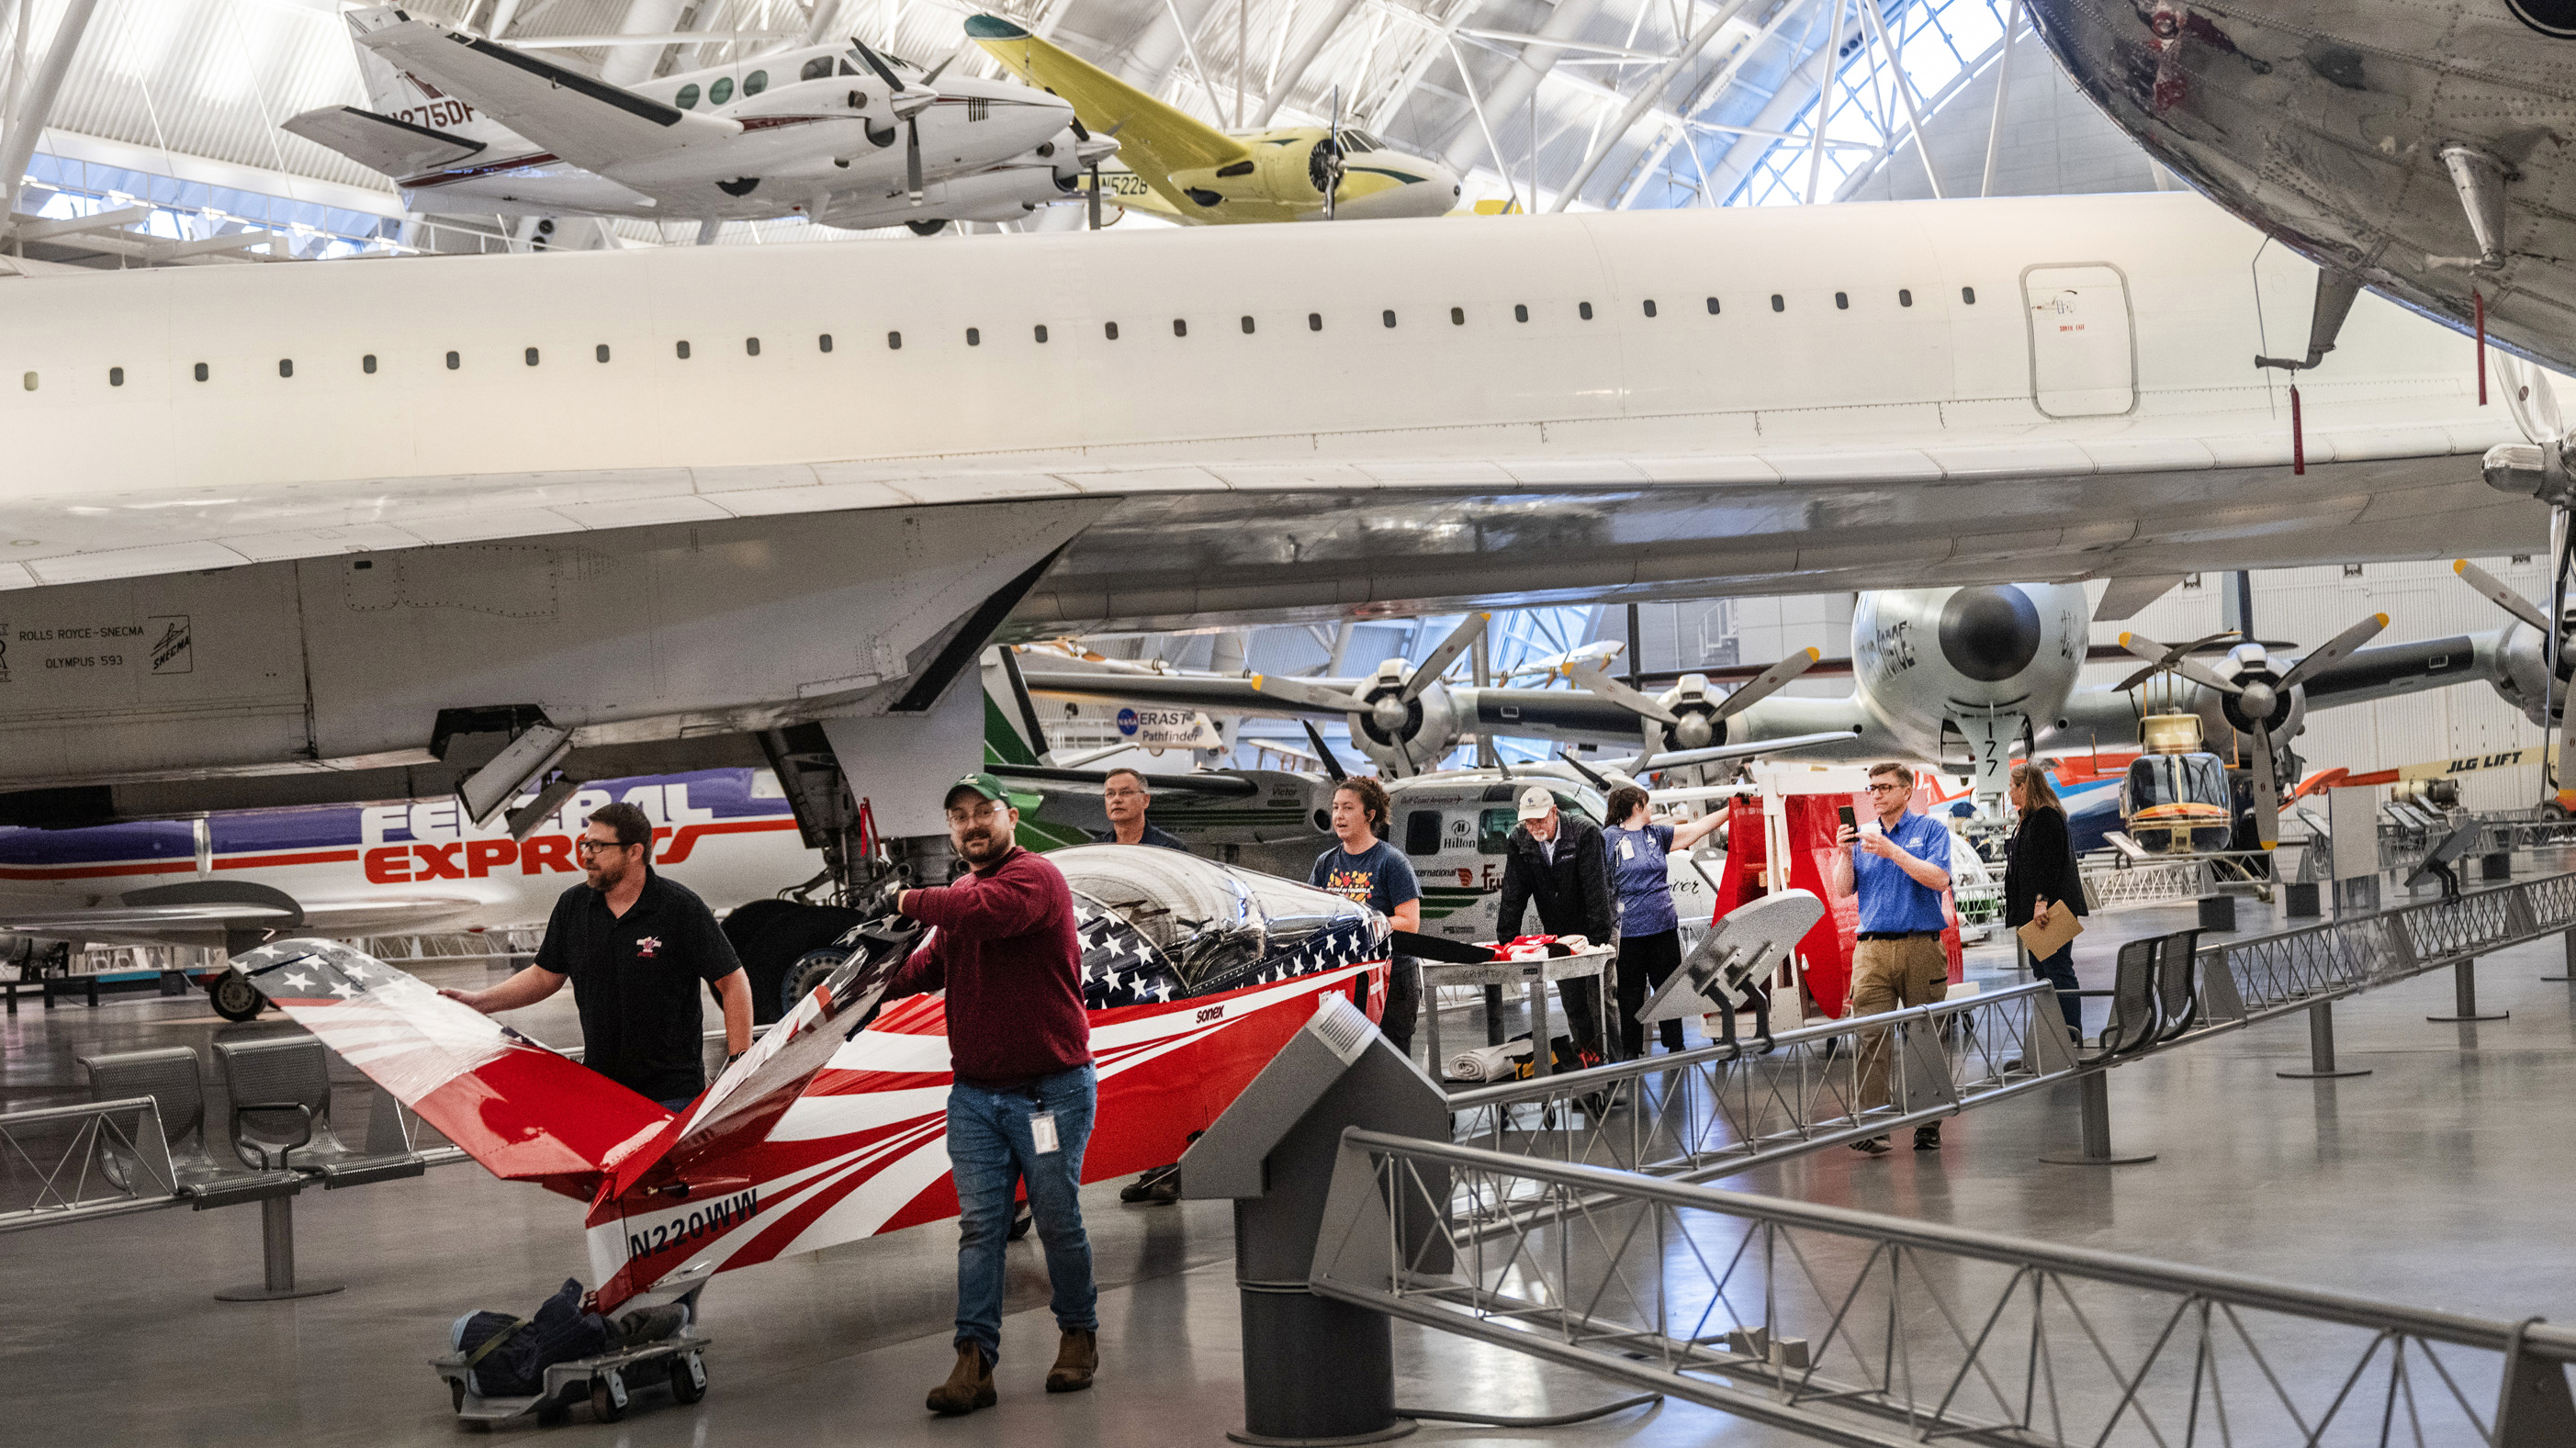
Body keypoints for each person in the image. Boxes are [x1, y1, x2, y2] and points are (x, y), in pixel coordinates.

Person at [883, 772, 1099, 1415]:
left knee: (1058, 1220)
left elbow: (988, 914)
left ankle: (1078, 1334)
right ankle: (973, 1360)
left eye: (982, 812)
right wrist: (856, 988)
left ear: (1008, 817)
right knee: (980, 1228)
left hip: (1048, 1093)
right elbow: (932, 966)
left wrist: (905, 898)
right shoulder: (959, 894)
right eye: (958, 817)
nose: (971, 825)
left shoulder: (1033, 880)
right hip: (975, 1096)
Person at [442, 802, 750, 1112]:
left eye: (598, 846)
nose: (586, 854)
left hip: (673, 1095)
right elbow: (544, 976)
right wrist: (477, 1002)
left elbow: (732, 981)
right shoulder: (573, 907)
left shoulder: (680, 908)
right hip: (603, 1091)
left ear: (634, 852)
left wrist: (740, 1063)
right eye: (585, 844)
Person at [1826, 761, 1954, 1156]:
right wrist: (1845, 854)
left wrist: (1894, 851)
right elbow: (1843, 889)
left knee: (1924, 1035)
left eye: (1884, 787)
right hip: (1873, 950)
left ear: (1906, 791)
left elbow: (1939, 879)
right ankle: (1873, 1125)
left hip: (1920, 946)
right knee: (1869, 1036)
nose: (1876, 795)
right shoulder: (1865, 839)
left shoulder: (1930, 831)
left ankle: (1928, 1124)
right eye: (1871, 788)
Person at [1601, 784, 1729, 1057]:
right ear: (1637, 807)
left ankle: (1676, 1044)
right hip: (1630, 932)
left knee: (1669, 987)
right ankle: (1631, 1051)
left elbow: (1697, 829)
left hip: (1664, 926)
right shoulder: (1609, 838)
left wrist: (1732, 810)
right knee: (1630, 994)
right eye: (1647, 804)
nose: (1650, 809)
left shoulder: (1656, 834)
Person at [1494, 783, 1615, 1065]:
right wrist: (1507, 941)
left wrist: (1597, 943)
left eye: (1539, 820)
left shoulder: (1585, 832)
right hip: (1559, 934)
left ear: (1554, 812)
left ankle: (1615, 1067)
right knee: (1573, 1004)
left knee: (1600, 1001)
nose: (1534, 827)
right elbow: (1513, 891)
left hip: (1597, 927)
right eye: (1528, 821)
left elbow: (1597, 890)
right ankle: (1589, 1063)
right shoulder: (1521, 839)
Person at [1309, 777, 1423, 1054]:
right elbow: (1312, 916)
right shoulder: (1326, 863)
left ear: (1369, 815)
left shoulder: (1391, 862)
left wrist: (1359, 928)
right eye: (1336, 808)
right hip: (1345, 978)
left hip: (1392, 980)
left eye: (1348, 808)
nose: (1338, 816)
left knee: (1392, 1070)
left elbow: (1409, 922)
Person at [2003, 759, 2087, 1050]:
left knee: (2058, 970)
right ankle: (2054, 1034)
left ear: (2024, 787)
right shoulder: (2032, 818)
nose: (2010, 793)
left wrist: (2041, 903)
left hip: (2049, 911)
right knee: (2043, 972)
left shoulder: (2046, 817)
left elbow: (2049, 866)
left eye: (2012, 787)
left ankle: (2070, 1035)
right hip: (2037, 910)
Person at [1091, 767, 1187, 849]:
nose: (1116, 799)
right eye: (1110, 794)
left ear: (1145, 800)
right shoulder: (1097, 848)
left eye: (1125, 792)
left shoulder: (1170, 848)